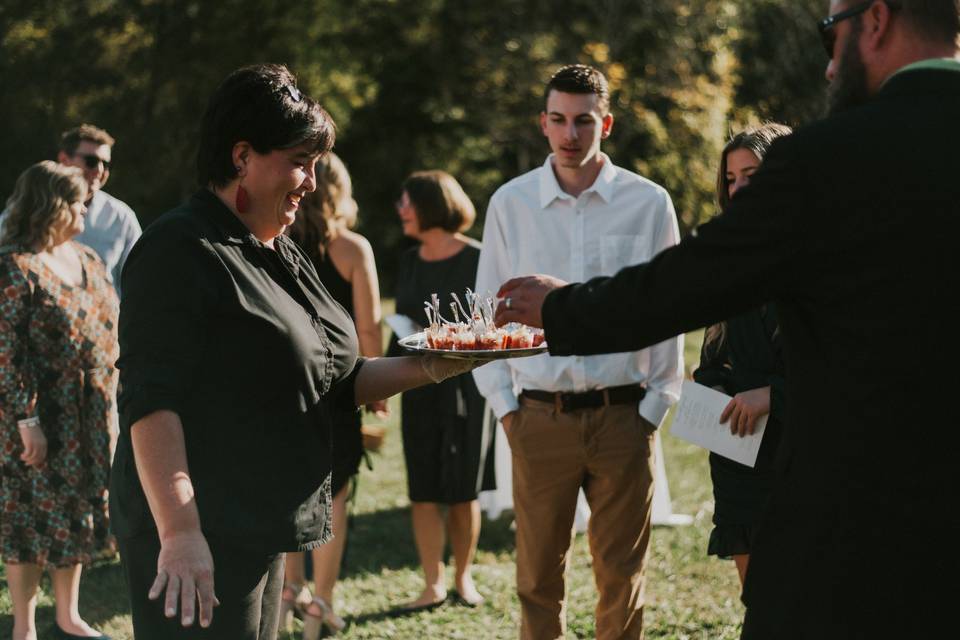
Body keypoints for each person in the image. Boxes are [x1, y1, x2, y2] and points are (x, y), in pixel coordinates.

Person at [495, 2, 960, 637]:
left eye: (832, 33)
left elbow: (685, 285)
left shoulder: (826, 159)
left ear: (874, 20)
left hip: (857, 516)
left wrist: (559, 306)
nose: (828, 66)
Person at [109, 63, 481, 640]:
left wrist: (439, 363)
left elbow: (338, 377)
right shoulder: (178, 250)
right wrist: (181, 533)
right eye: (299, 162)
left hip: (259, 523)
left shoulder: (277, 249)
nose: (310, 181)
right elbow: (149, 401)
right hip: (199, 533)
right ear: (242, 156)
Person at [473, 64, 684, 640]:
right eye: (559, 120)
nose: (571, 135)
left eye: (584, 121)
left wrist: (655, 405)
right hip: (539, 416)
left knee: (622, 576)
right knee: (537, 578)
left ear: (606, 123)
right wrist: (508, 411)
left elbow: (669, 308)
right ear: (543, 124)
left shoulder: (648, 202)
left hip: (624, 415)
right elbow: (486, 314)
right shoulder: (509, 204)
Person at [0, 161, 118, 640]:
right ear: (49, 206)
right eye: (74, 200)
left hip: (90, 409)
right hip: (39, 412)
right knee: (28, 518)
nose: (84, 206)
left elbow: (110, 326)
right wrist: (27, 419)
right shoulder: (14, 267)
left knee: (79, 510)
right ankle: (25, 627)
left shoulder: (88, 258)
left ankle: (69, 616)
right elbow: (6, 353)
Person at [282, 152, 389, 638]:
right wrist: (379, 388)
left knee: (286, 488)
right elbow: (368, 323)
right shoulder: (351, 248)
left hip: (283, 385)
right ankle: (321, 603)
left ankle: (290, 589)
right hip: (340, 387)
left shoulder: (274, 240)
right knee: (335, 496)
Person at [386, 170, 495, 611]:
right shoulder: (409, 261)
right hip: (418, 383)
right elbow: (402, 322)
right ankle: (432, 583)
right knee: (423, 487)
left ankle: (463, 578)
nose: (400, 210)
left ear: (430, 205)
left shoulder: (479, 258)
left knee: (463, 489)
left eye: (407, 202)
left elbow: (490, 322)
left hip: (469, 388)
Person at [693, 123, 792, 586]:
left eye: (750, 174)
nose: (738, 188)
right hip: (739, 448)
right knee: (755, 599)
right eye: (731, 179)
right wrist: (710, 390)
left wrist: (772, 395)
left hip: (803, 444)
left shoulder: (819, 256)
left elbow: (844, 363)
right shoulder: (725, 261)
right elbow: (710, 360)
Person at [0, 124, 141, 295]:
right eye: (92, 161)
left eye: (106, 164)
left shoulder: (122, 218)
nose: (100, 170)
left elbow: (140, 278)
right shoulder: (28, 210)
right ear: (64, 160)